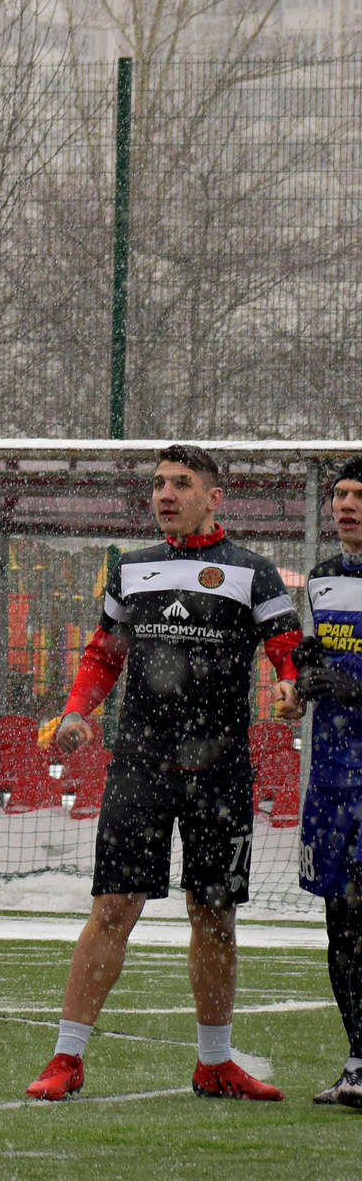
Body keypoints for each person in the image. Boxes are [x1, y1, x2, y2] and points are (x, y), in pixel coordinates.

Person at [26, 444, 303, 1102]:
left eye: (181, 482)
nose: (165, 493)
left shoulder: (253, 572)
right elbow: (103, 653)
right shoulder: (132, 569)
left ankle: (214, 1063)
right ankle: (67, 1057)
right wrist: (76, 709)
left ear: (215, 496)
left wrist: (291, 685)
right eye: (157, 483)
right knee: (114, 906)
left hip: (220, 770)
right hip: (141, 766)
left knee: (214, 914)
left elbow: (288, 649)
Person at [292, 454, 362, 1108]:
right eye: (340, 494)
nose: (346, 505)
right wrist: (306, 674)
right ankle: (356, 1060)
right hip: (332, 780)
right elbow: (316, 656)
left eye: (358, 495)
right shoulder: (322, 578)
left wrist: (354, 685)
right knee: (338, 923)